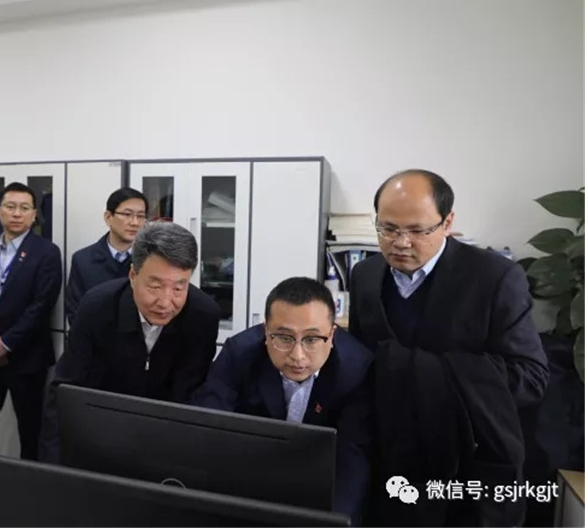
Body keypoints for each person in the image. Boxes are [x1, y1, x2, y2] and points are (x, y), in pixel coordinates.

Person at [348, 169, 549, 526]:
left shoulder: (494, 278)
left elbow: (530, 378)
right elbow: (361, 367)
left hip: (467, 467)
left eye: (417, 230)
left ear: (447, 222)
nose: (400, 242)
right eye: (388, 228)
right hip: (389, 467)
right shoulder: (364, 276)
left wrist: (420, 370)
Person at [191, 277, 373, 524]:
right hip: (250, 475)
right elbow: (207, 428)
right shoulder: (240, 353)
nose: (298, 356)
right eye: (284, 338)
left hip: (318, 481)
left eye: (312, 339)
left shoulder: (355, 370)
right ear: (266, 332)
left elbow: (351, 464)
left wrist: (335, 522)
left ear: (331, 335)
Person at [38, 221, 221, 463]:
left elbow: (190, 396)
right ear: (133, 275)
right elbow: (65, 390)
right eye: (154, 286)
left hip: (166, 443)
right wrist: (52, 467)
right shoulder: (97, 307)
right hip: (99, 436)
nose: (166, 302)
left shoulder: (203, 316)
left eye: (179, 288)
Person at [0, 182, 63, 461]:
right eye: (10, 206)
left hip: (27, 358)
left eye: (24, 208)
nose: (17, 213)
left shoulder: (47, 252)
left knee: (31, 432)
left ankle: (28, 484)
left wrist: (7, 343)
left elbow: (42, 304)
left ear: (34, 215)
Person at [65, 187, 148, 325]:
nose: (135, 222)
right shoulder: (83, 259)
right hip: (94, 336)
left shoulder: (151, 260)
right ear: (108, 217)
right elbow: (75, 310)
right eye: (127, 214)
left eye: (140, 216)